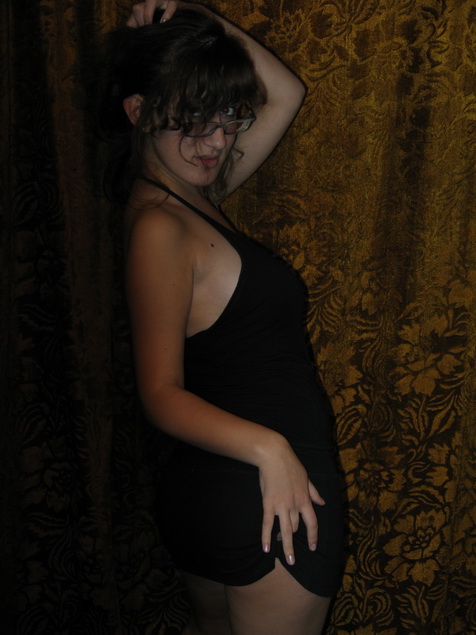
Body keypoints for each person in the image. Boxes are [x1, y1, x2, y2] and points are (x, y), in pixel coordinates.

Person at [100, 1, 345, 633]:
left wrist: (192, 15)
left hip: (219, 492)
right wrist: (272, 450)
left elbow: (286, 93)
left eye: (228, 115)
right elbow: (160, 392)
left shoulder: (191, 196)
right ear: (139, 111)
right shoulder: (161, 224)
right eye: (192, 119)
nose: (217, 142)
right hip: (268, 492)